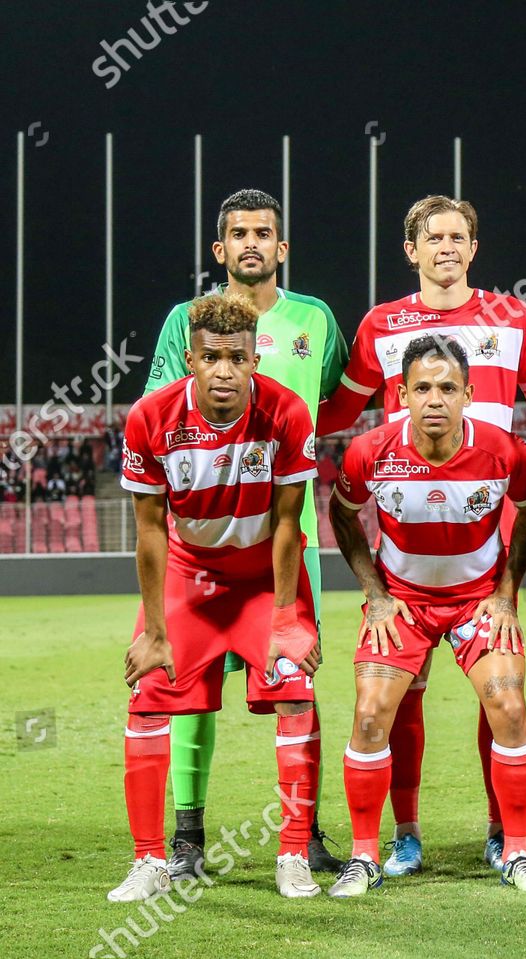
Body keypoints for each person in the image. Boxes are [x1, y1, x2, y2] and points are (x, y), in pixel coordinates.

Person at [318, 195, 526, 876]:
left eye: (459, 236)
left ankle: (501, 835)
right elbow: (339, 408)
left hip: (491, 516)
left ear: (473, 247)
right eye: (435, 237)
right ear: (412, 248)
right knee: (396, 698)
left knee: (502, 692)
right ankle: (404, 836)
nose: (447, 247)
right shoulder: (381, 325)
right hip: (405, 527)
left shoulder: (511, 316)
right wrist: (274, 405)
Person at [142, 188, 348, 878]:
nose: (252, 242)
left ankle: (306, 831)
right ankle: (187, 835)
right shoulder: (187, 320)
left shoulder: (315, 319)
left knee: (298, 679)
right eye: (239, 232)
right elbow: (168, 408)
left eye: (264, 231)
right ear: (219, 249)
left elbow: (335, 398)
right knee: (188, 687)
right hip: (200, 542)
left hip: (290, 537)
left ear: (281, 247)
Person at [112, 292, 323, 900]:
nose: (224, 371)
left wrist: (286, 617)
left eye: (237, 357)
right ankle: (151, 861)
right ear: (190, 358)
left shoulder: (286, 414)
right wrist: (154, 631)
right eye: (211, 358)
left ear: (256, 358)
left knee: (294, 690)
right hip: (190, 578)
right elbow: (150, 531)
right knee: (147, 696)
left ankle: (293, 856)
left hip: (264, 580)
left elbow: (290, 523)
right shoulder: (150, 419)